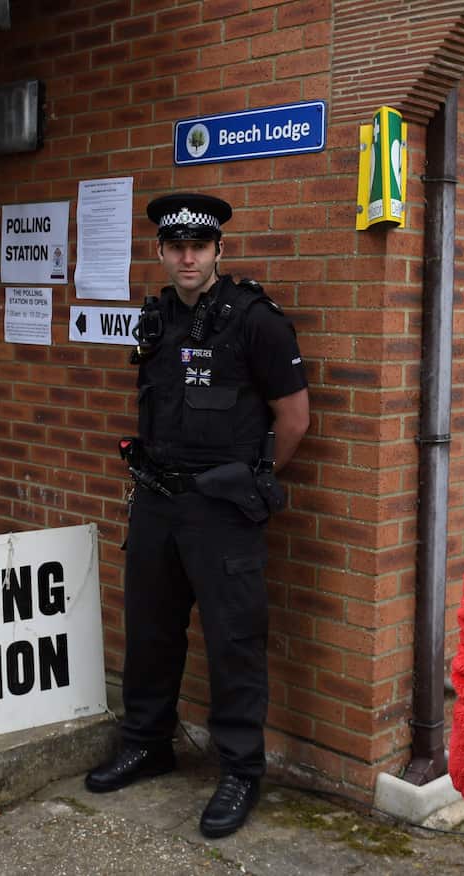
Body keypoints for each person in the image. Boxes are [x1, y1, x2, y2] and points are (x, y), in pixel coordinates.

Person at [85, 192, 309, 839]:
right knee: (150, 629)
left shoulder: (255, 320)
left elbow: (295, 419)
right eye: (175, 246)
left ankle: (240, 769)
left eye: (199, 246)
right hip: (158, 502)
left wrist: (254, 480)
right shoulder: (156, 320)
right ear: (160, 252)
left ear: (218, 250)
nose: (187, 256)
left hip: (222, 510)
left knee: (233, 640)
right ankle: (148, 743)